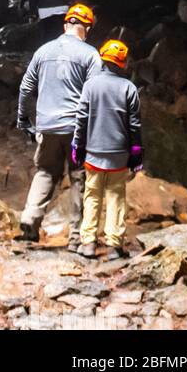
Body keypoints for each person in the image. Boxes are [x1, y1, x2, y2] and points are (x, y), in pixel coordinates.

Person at [16, 3, 102, 247]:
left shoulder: (43, 51)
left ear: (66, 25)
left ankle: (30, 220)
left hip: (47, 125)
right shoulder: (90, 55)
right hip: (76, 128)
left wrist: (23, 119)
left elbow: (25, 88)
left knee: (45, 172)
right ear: (86, 28)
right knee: (78, 178)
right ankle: (76, 236)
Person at [71, 38, 142, 260]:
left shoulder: (90, 85)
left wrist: (77, 145)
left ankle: (89, 243)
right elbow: (134, 125)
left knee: (91, 196)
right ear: (122, 63)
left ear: (103, 59)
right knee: (116, 197)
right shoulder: (129, 88)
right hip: (119, 156)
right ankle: (113, 246)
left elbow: (81, 118)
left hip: (93, 153)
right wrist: (136, 152)